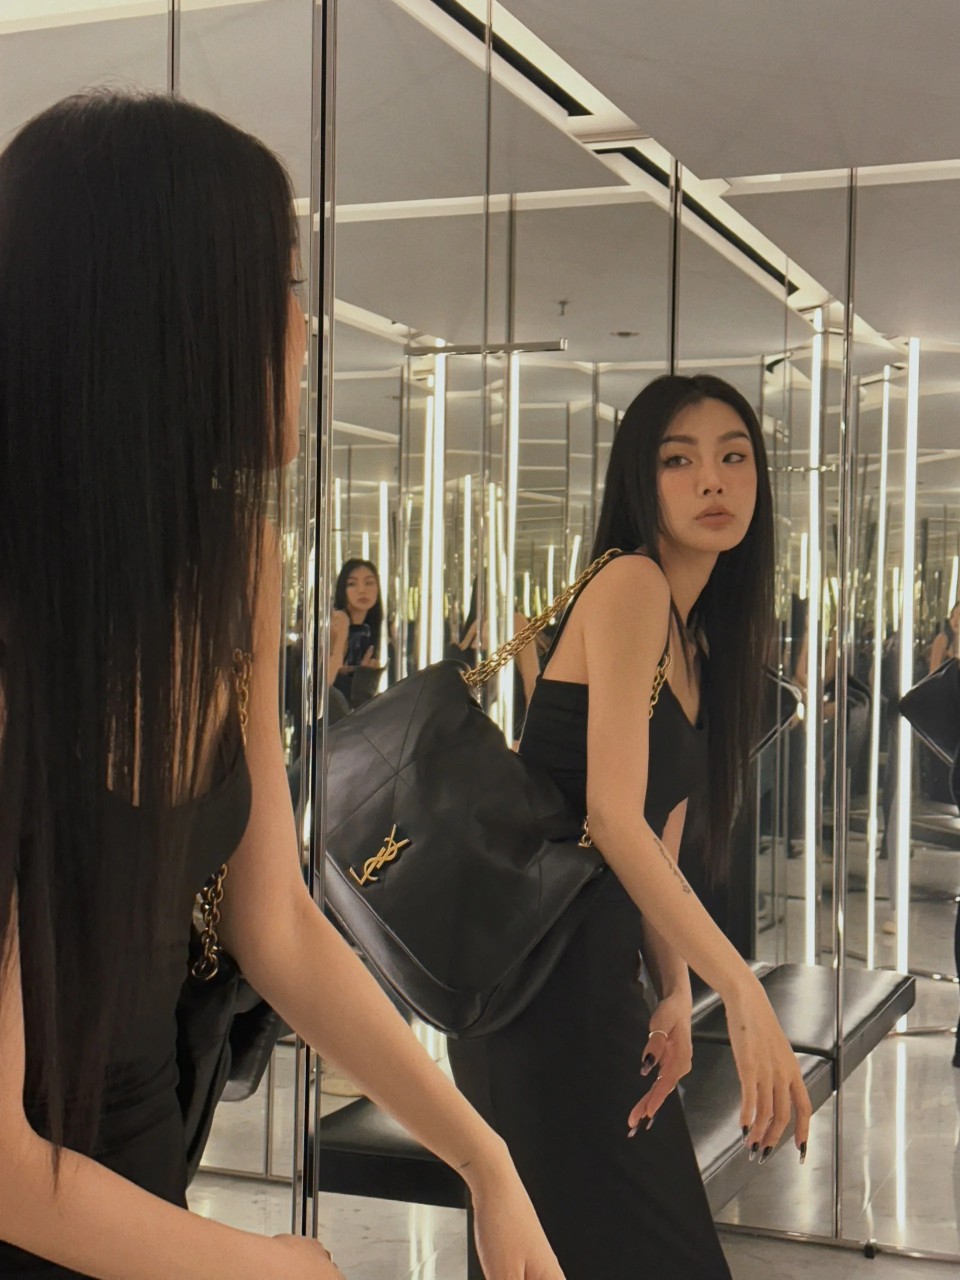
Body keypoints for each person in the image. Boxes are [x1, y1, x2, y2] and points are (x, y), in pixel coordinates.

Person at [0, 92, 563, 1280]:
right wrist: (272, 1265)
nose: (305, 329)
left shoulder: (233, 565)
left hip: (140, 1181)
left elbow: (277, 922)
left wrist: (484, 1156)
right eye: (281, 286)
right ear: (165, 317)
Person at [448, 374, 812, 1280]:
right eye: (679, 460)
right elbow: (613, 817)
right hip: (541, 994)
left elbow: (662, 831)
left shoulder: (696, 640)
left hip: (596, 983)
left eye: (734, 456)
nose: (712, 479)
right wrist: (741, 989)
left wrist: (675, 988)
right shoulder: (631, 584)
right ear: (639, 483)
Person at [329, 558, 384, 709]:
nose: (362, 590)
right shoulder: (339, 620)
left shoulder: (368, 630)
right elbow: (327, 686)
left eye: (369, 583)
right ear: (342, 589)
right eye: (352, 584)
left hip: (349, 714)